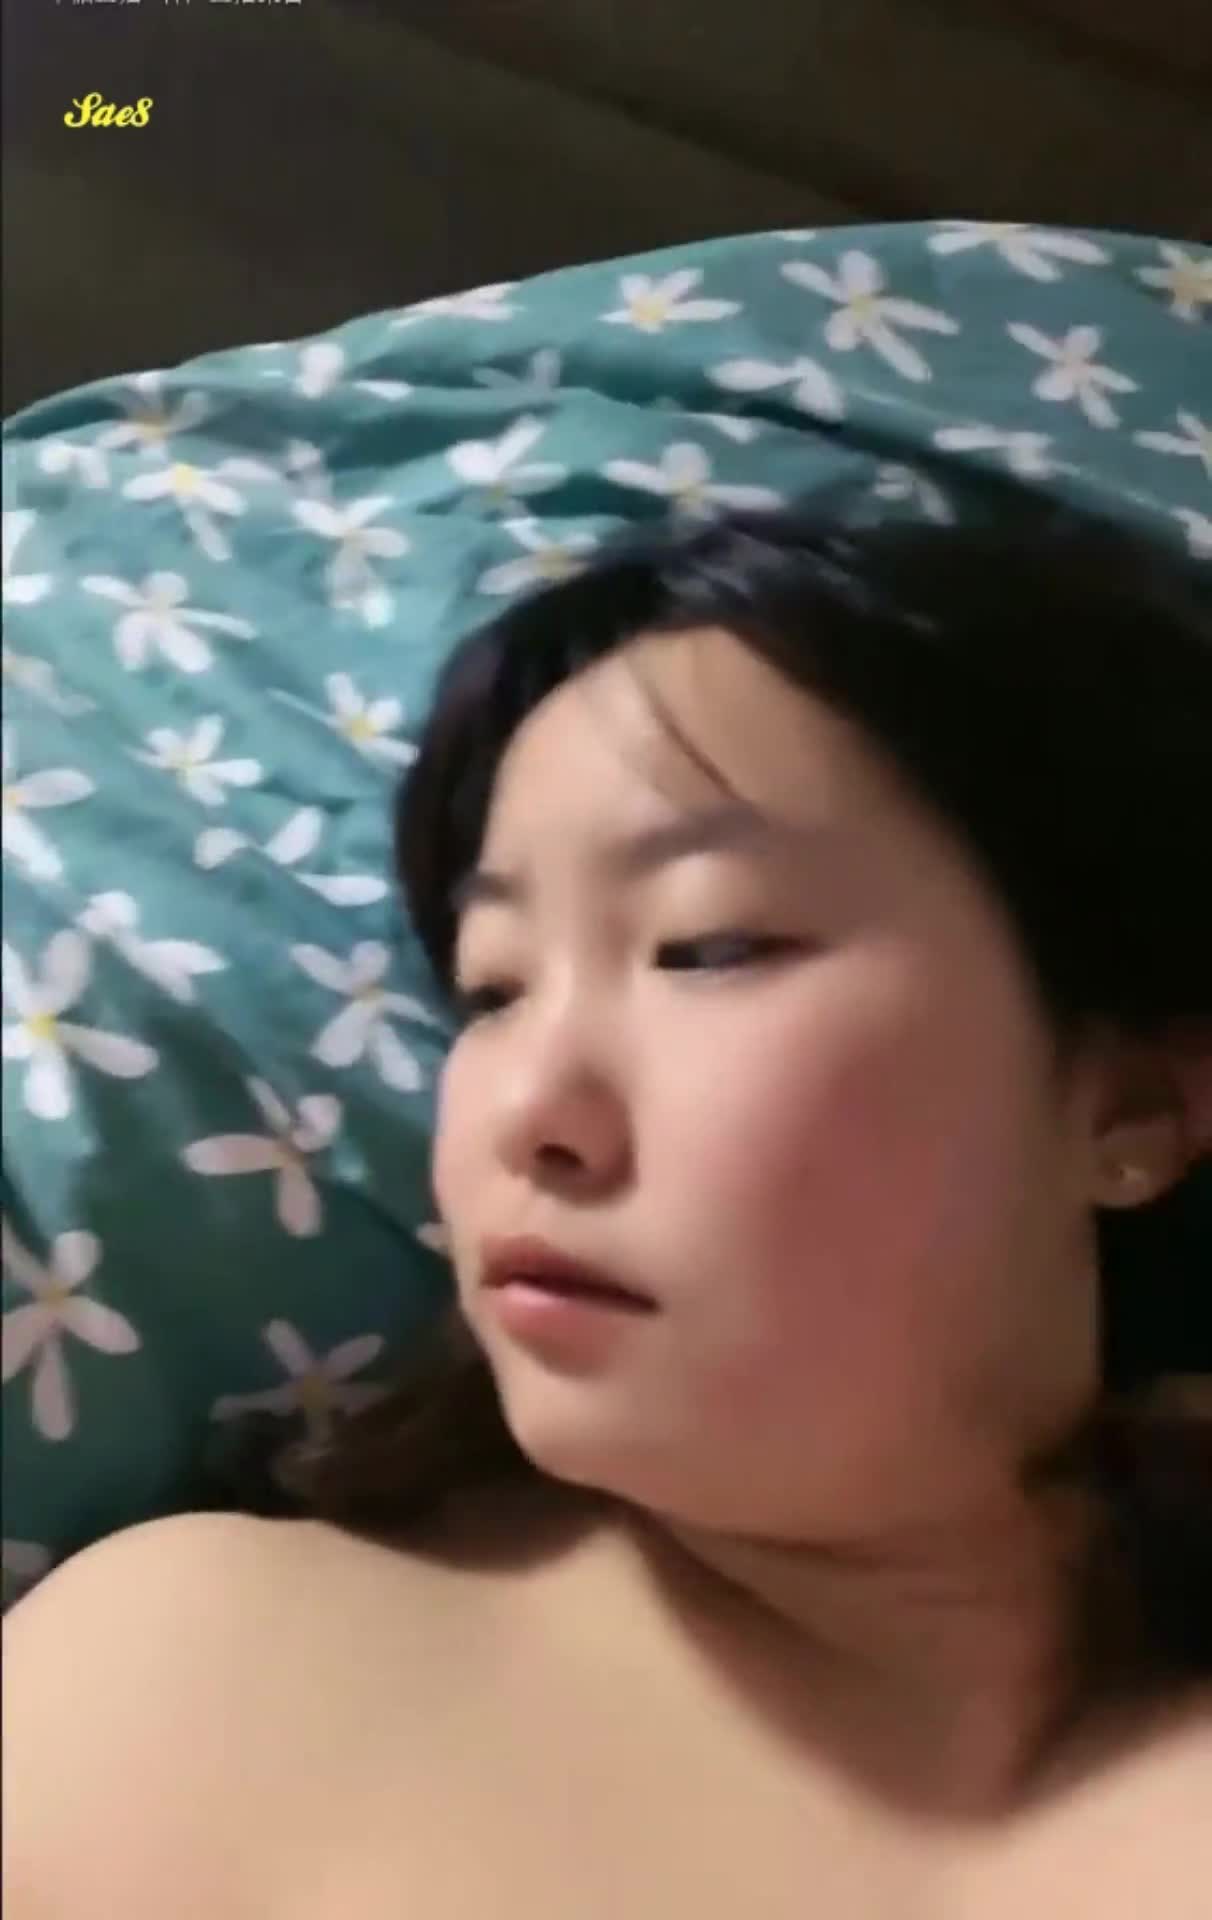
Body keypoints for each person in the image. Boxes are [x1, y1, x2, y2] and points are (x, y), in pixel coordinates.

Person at [5, 498, 1211, 1918]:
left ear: (1133, 1104)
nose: (527, 1109)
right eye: (493, 988)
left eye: (708, 946)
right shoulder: (191, 1684)